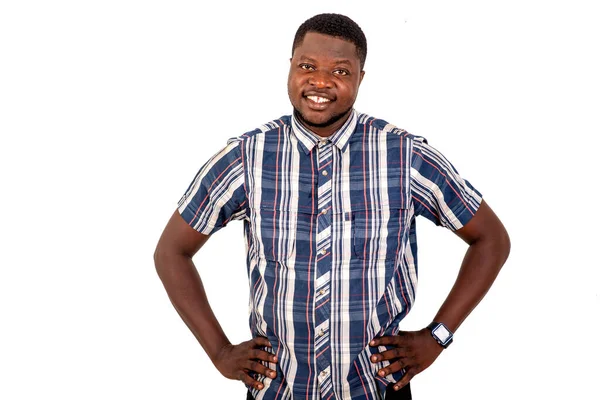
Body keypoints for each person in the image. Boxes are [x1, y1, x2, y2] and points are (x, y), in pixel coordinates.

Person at [154, 13, 510, 400]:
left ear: (360, 78)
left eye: (340, 70)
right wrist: (220, 352)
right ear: (290, 67)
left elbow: (491, 239)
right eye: (307, 66)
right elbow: (172, 252)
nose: (320, 81)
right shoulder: (246, 157)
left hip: (377, 388)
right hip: (277, 389)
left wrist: (436, 337)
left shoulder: (404, 156)